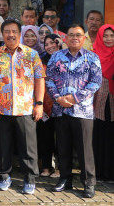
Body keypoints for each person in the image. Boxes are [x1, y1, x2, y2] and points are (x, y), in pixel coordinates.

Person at [0, 19, 45, 194]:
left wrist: (39, 104)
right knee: (3, 145)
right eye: (7, 31)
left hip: (25, 108)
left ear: (20, 34)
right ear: (2, 34)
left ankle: (29, 179)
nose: (11, 35)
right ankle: (4, 176)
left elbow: (40, 79)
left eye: (14, 32)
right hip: (1, 108)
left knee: (28, 146)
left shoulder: (31, 54)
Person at [46, 24, 101, 198]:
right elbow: (49, 80)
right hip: (60, 110)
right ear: (66, 38)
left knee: (85, 149)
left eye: (78, 35)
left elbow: (95, 82)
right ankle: (65, 179)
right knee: (63, 147)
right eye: (71, 35)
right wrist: (58, 98)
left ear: (84, 38)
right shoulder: (56, 56)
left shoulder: (92, 57)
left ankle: (88, 182)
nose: (75, 38)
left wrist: (74, 99)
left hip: (82, 111)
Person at [92, 24, 114, 182]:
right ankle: (99, 171)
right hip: (97, 102)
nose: (108, 39)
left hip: (112, 101)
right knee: (99, 136)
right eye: (105, 36)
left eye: (112, 36)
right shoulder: (93, 55)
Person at [37, 33, 60, 176]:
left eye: (53, 43)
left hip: (61, 105)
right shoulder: (41, 60)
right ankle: (46, 166)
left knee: (61, 138)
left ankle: (59, 168)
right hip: (45, 105)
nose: (50, 46)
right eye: (47, 44)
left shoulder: (65, 58)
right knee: (45, 137)